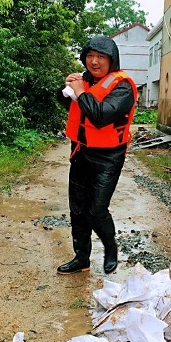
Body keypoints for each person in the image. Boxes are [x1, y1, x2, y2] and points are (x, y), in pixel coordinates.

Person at [56, 35, 138, 275]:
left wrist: (81, 92)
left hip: (108, 158)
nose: (94, 61)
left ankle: (110, 248)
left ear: (112, 60)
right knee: (78, 209)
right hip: (80, 151)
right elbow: (71, 106)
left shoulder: (123, 87)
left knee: (96, 210)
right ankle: (81, 259)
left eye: (100, 57)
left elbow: (100, 116)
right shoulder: (84, 82)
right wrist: (66, 89)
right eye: (90, 56)